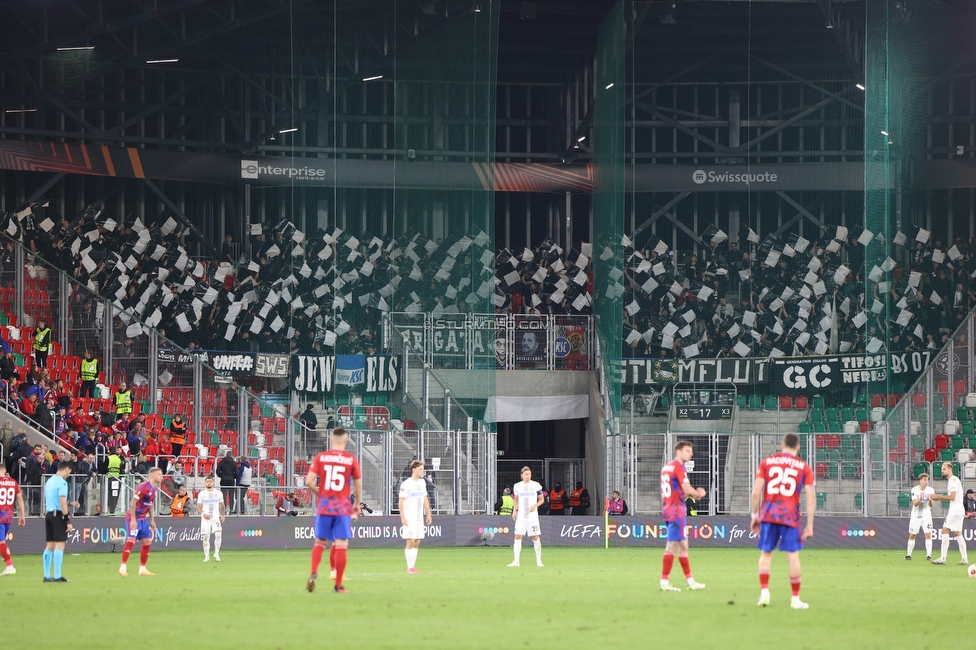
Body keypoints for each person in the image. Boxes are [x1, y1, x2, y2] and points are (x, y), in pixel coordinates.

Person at [750, 433, 816, 609]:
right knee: (793, 557)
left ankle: (764, 593)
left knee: (766, 554)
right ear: (798, 447)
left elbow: (756, 493)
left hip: (769, 514)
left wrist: (754, 516)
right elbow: (810, 498)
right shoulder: (803, 467)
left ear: (782, 445)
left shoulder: (767, 462)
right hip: (789, 515)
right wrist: (809, 525)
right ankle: (795, 599)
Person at [304, 427, 362, 594]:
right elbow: (358, 484)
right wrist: (357, 503)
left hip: (324, 506)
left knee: (320, 543)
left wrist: (320, 494)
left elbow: (308, 481)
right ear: (345, 441)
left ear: (331, 440)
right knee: (341, 545)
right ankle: (338, 585)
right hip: (342, 507)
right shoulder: (350, 459)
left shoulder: (321, 457)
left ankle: (314, 572)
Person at [659, 441, 707, 592]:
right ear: (678, 451)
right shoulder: (679, 467)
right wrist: (698, 494)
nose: (691, 454)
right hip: (676, 510)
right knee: (672, 546)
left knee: (683, 545)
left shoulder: (667, 467)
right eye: (687, 450)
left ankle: (690, 581)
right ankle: (664, 582)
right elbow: (686, 488)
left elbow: (678, 490)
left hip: (668, 508)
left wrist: (690, 493)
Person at [119, 467, 163, 577]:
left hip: (143, 519)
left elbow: (150, 505)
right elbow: (132, 503)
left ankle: (142, 569)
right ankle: (123, 567)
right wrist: (133, 520)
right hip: (134, 518)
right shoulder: (143, 487)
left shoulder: (155, 490)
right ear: (152, 476)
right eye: (159, 474)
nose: (161, 477)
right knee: (131, 540)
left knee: (147, 541)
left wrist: (152, 519)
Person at [929, 462, 969, 566]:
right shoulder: (953, 480)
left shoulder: (953, 480)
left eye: (944, 469)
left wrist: (937, 497)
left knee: (944, 530)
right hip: (959, 510)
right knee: (958, 533)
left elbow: (952, 497)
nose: (942, 471)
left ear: (950, 469)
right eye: (942, 469)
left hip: (955, 511)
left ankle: (943, 558)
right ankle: (964, 558)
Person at [43, 461, 76, 583]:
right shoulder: (62, 483)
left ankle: (46, 576)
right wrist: (68, 520)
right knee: (60, 545)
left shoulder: (50, 480)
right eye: (69, 472)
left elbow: (55, 500)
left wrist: (70, 503)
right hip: (58, 516)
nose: (68, 475)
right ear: (67, 469)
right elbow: (62, 502)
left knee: (50, 545)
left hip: (49, 514)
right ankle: (57, 576)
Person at [399, 460, 433, 574]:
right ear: (413, 470)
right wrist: (403, 517)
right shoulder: (406, 484)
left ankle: (412, 566)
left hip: (419, 517)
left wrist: (428, 513)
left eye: (423, 469)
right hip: (410, 516)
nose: (422, 471)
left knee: (417, 541)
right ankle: (409, 567)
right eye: (420, 469)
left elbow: (424, 498)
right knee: (410, 540)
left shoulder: (422, 482)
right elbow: (401, 501)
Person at [508, 466, 544, 568]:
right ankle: (516, 561)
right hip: (521, 516)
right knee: (518, 536)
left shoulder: (536, 485)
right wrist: (514, 510)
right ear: (522, 475)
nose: (528, 476)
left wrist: (535, 506)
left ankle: (539, 561)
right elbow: (516, 499)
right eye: (526, 474)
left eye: (529, 474)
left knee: (535, 537)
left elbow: (541, 499)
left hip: (532, 516)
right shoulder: (517, 486)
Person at [0, 462, 26, 576]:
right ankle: (9, 565)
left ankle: (9, 566)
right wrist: (22, 516)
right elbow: (20, 499)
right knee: (2, 542)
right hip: (8, 516)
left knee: (1, 542)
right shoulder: (13, 482)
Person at [906, 473, 935, 560]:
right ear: (920, 481)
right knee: (912, 535)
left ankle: (929, 556)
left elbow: (931, 504)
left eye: (927, 480)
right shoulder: (914, 490)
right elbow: (915, 504)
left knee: (928, 534)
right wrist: (920, 499)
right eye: (924, 480)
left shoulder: (931, 490)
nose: (926, 482)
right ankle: (908, 555)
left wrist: (930, 500)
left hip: (926, 515)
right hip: (916, 516)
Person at [197, 476, 226, 562]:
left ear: (213, 483)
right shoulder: (202, 494)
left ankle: (216, 553)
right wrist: (203, 514)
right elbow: (198, 507)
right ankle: (206, 556)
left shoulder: (218, 493)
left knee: (218, 535)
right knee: (206, 537)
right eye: (207, 481)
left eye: (210, 481)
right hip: (206, 519)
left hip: (215, 518)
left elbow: (222, 505)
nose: (209, 483)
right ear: (205, 483)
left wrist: (223, 515)